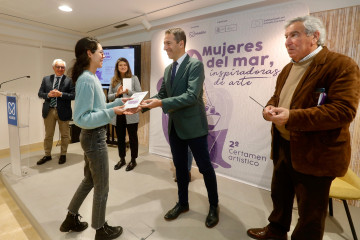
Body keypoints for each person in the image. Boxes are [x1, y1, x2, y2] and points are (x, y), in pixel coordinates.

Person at [247, 16, 360, 240]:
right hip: (283, 145)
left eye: (294, 35)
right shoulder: (288, 68)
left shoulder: (341, 65)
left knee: (310, 214)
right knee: (280, 196)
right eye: (286, 37)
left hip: (316, 154)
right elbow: (278, 97)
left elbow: (344, 111)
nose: (288, 41)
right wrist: (269, 108)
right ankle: (276, 232)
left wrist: (292, 117)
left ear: (314, 37)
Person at [140, 27, 219, 228]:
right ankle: (183, 203)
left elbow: (192, 96)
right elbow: (163, 94)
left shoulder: (195, 65)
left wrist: (160, 103)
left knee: (205, 168)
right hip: (175, 128)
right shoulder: (168, 69)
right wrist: (142, 104)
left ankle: (213, 206)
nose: (165, 47)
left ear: (181, 43)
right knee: (181, 169)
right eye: (164, 43)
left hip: (194, 128)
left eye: (168, 43)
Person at [59, 37, 136, 240]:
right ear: (89, 53)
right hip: (94, 137)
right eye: (100, 52)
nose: (103, 55)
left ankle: (70, 218)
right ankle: (100, 229)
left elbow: (98, 110)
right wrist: (113, 113)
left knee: (90, 180)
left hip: (92, 136)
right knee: (102, 185)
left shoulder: (91, 77)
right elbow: (81, 118)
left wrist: (119, 103)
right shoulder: (86, 79)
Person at [37, 59, 75, 165]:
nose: (60, 69)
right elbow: (40, 93)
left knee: (65, 135)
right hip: (49, 110)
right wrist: (48, 95)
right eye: (58, 67)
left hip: (64, 111)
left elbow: (73, 95)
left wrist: (61, 94)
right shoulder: (46, 79)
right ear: (53, 68)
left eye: (62, 67)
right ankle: (47, 155)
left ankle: (63, 154)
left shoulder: (69, 80)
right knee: (48, 135)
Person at [108, 57, 142, 171]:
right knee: (121, 138)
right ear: (117, 68)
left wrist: (128, 91)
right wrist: (117, 94)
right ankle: (122, 159)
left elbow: (139, 94)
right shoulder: (113, 80)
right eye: (120, 65)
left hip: (131, 112)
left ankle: (133, 160)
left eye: (125, 65)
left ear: (128, 67)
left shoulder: (134, 78)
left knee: (133, 137)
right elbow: (109, 97)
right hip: (119, 112)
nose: (123, 67)